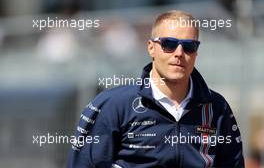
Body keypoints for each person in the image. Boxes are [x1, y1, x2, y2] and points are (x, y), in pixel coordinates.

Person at [67, 10, 245, 168]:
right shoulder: (112, 105)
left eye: (189, 46)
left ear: (196, 52)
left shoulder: (217, 108)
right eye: (169, 44)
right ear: (151, 48)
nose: (179, 53)